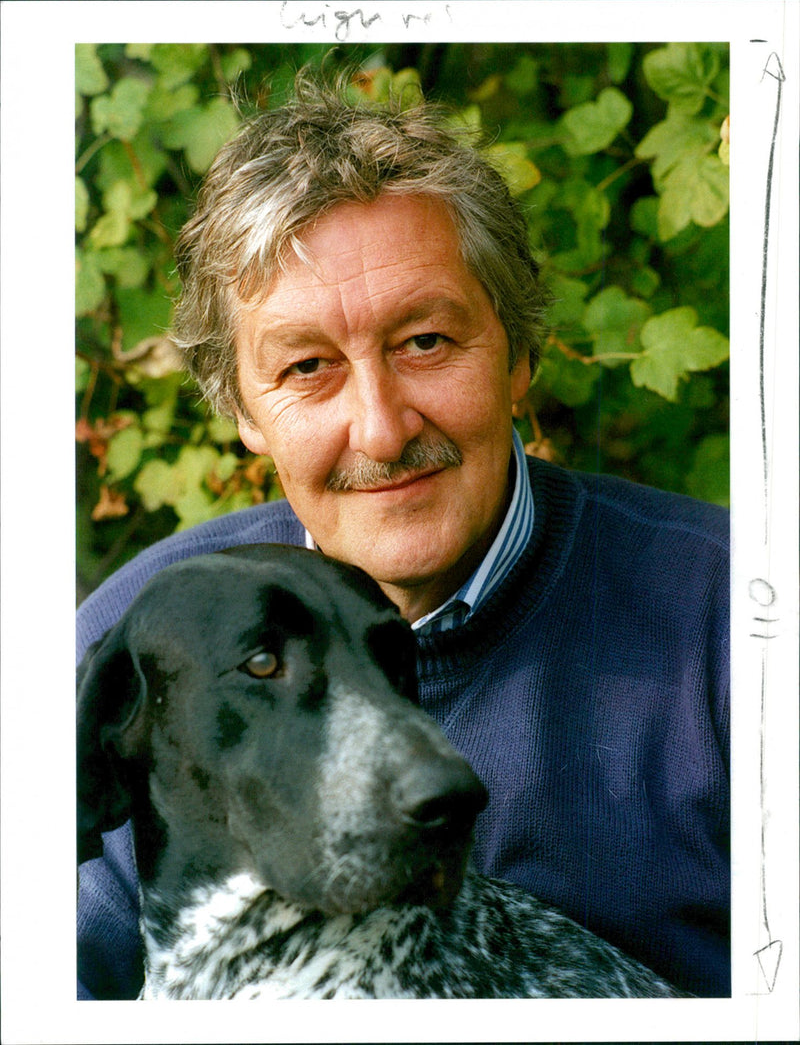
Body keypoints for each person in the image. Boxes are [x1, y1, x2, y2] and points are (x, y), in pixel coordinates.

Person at [76, 73, 730, 999]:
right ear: (244, 415)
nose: (382, 429)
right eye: (307, 368)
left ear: (520, 356)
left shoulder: (736, 618)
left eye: (425, 342)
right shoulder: (151, 632)